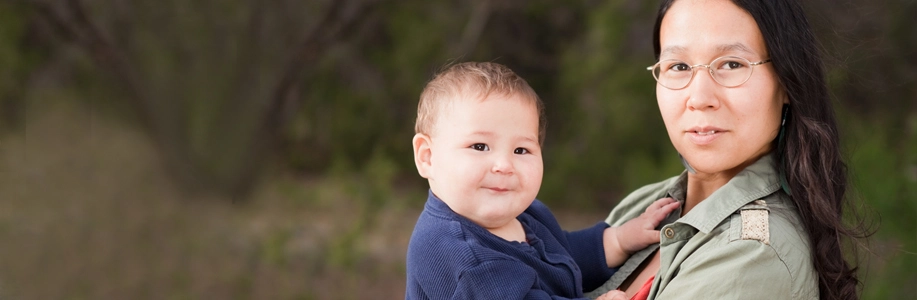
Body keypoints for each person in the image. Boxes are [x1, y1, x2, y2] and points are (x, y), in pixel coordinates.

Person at [585, 0, 869, 299]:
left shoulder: (751, 256)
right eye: (679, 66)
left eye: (732, 64)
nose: (699, 98)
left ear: (787, 81)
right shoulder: (644, 205)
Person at [405, 62, 680, 299]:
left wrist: (619, 240)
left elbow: (564, 255)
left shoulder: (528, 214)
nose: (504, 165)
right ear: (427, 157)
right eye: (479, 146)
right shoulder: (460, 255)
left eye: (521, 150)